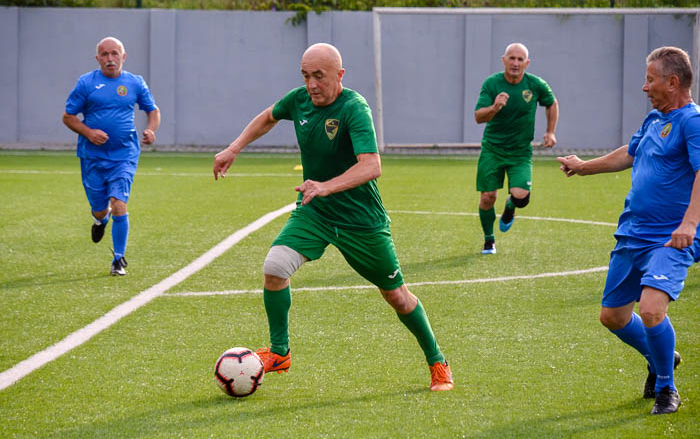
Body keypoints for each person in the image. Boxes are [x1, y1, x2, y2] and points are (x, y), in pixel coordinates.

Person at [213, 43, 453, 391]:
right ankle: (280, 352)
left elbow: (372, 165)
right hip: (316, 211)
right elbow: (268, 117)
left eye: (319, 77)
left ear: (340, 75)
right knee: (275, 267)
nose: (311, 84)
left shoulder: (354, 108)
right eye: (306, 76)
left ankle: (437, 362)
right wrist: (234, 148)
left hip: (361, 221)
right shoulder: (299, 101)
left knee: (396, 295)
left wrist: (326, 186)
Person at [557, 46, 700, 415]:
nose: (644, 86)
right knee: (613, 317)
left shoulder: (692, 121)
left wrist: (689, 224)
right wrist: (584, 167)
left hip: (669, 237)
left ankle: (667, 389)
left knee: (651, 309)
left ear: (672, 82)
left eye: (650, 79)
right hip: (632, 233)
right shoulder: (654, 120)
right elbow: (630, 153)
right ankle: (660, 356)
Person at [63, 37, 161, 276]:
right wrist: (88, 132)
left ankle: (119, 259)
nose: (110, 59)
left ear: (123, 57)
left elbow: (153, 111)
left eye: (115, 54)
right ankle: (100, 219)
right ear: (98, 59)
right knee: (100, 207)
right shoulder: (86, 83)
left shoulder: (135, 83)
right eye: (105, 55)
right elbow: (68, 117)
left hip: (124, 155)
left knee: (119, 202)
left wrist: (151, 130)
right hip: (93, 157)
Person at [474, 43, 559, 254]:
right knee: (487, 197)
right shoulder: (492, 84)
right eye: (511, 58)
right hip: (492, 150)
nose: (515, 63)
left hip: (520, 152)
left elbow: (552, 103)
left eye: (520, 59)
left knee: (521, 197)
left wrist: (550, 132)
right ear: (503, 60)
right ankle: (489, 239)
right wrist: (494, 107)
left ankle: (510, 206)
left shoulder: (535, 85)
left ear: (527, 63)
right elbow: (478, 117)